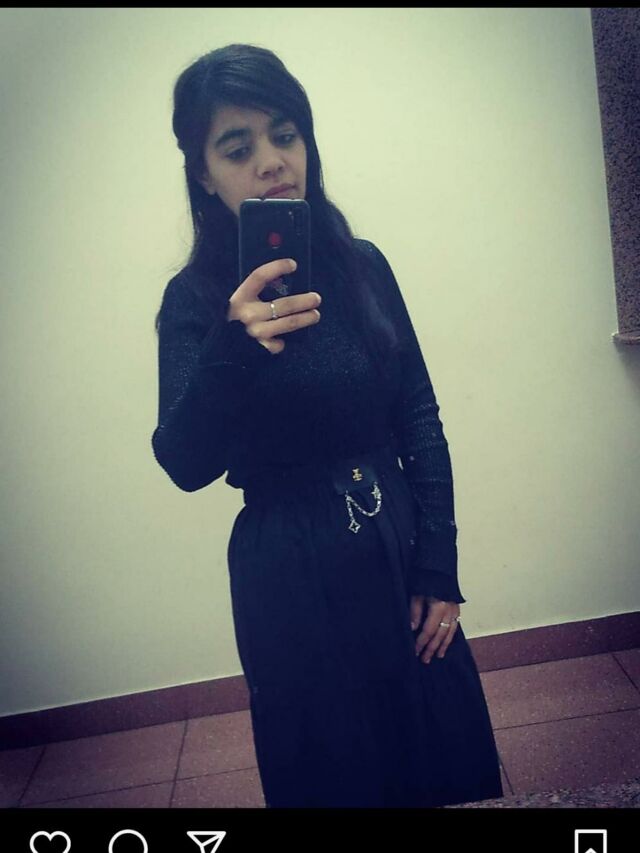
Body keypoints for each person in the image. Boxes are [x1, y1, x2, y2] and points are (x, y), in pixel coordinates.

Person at [152, 43, 504, 809]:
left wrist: (440, 567)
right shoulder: (195, 300)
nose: (272, 161)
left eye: (286, 134)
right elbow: (183, 460)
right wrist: (232, 347)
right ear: (203, 174)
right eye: (237, 148)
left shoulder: (362, 266)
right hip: (286, 570)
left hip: (396, 540)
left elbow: (418, 416)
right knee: (332, 771)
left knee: (443, 755)